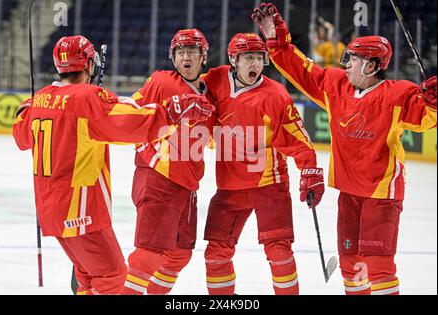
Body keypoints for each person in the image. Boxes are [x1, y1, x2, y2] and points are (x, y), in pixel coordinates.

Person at [252, 3, 437, 295]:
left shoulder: (399, 94)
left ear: (372, 65)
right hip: (349, 194)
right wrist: (277, 41)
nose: (346, 63)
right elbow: (301, 71)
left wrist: (434, 102)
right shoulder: (335, 86)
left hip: (381, 195)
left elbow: (428, 119)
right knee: (351, 267)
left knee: (378, 267)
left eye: (353, 58)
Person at [12, 35, 214, 295]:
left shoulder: (40, 99)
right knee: (114, 278)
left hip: (50, 211)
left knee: (88, 278)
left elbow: (20, 137)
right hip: (81, 210)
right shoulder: (88, 98)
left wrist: (25, 107)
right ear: (88, 64)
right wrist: (170, 113)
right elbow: (129, 123)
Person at [202, 33, 324, 295]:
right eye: (248, 58)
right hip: (229, 187)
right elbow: (190, 91)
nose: (254, 64)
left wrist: (310, 169)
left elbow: (298, 138)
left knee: (279, 252)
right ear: (233, 60)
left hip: (269, 185)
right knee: (215, 253)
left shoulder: (276, 95)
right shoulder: (216, 79)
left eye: (259, 57)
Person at [122, 29, 216, 295]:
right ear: (173, 58)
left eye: (192, 52)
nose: (186, 57)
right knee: (148, 254)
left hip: (187, 184)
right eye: (180, 52)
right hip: (157, 177)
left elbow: (210, 138)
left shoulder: (210, 96)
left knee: (179, 254)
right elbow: (130, 112)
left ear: (203, 57)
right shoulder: (161, 82)